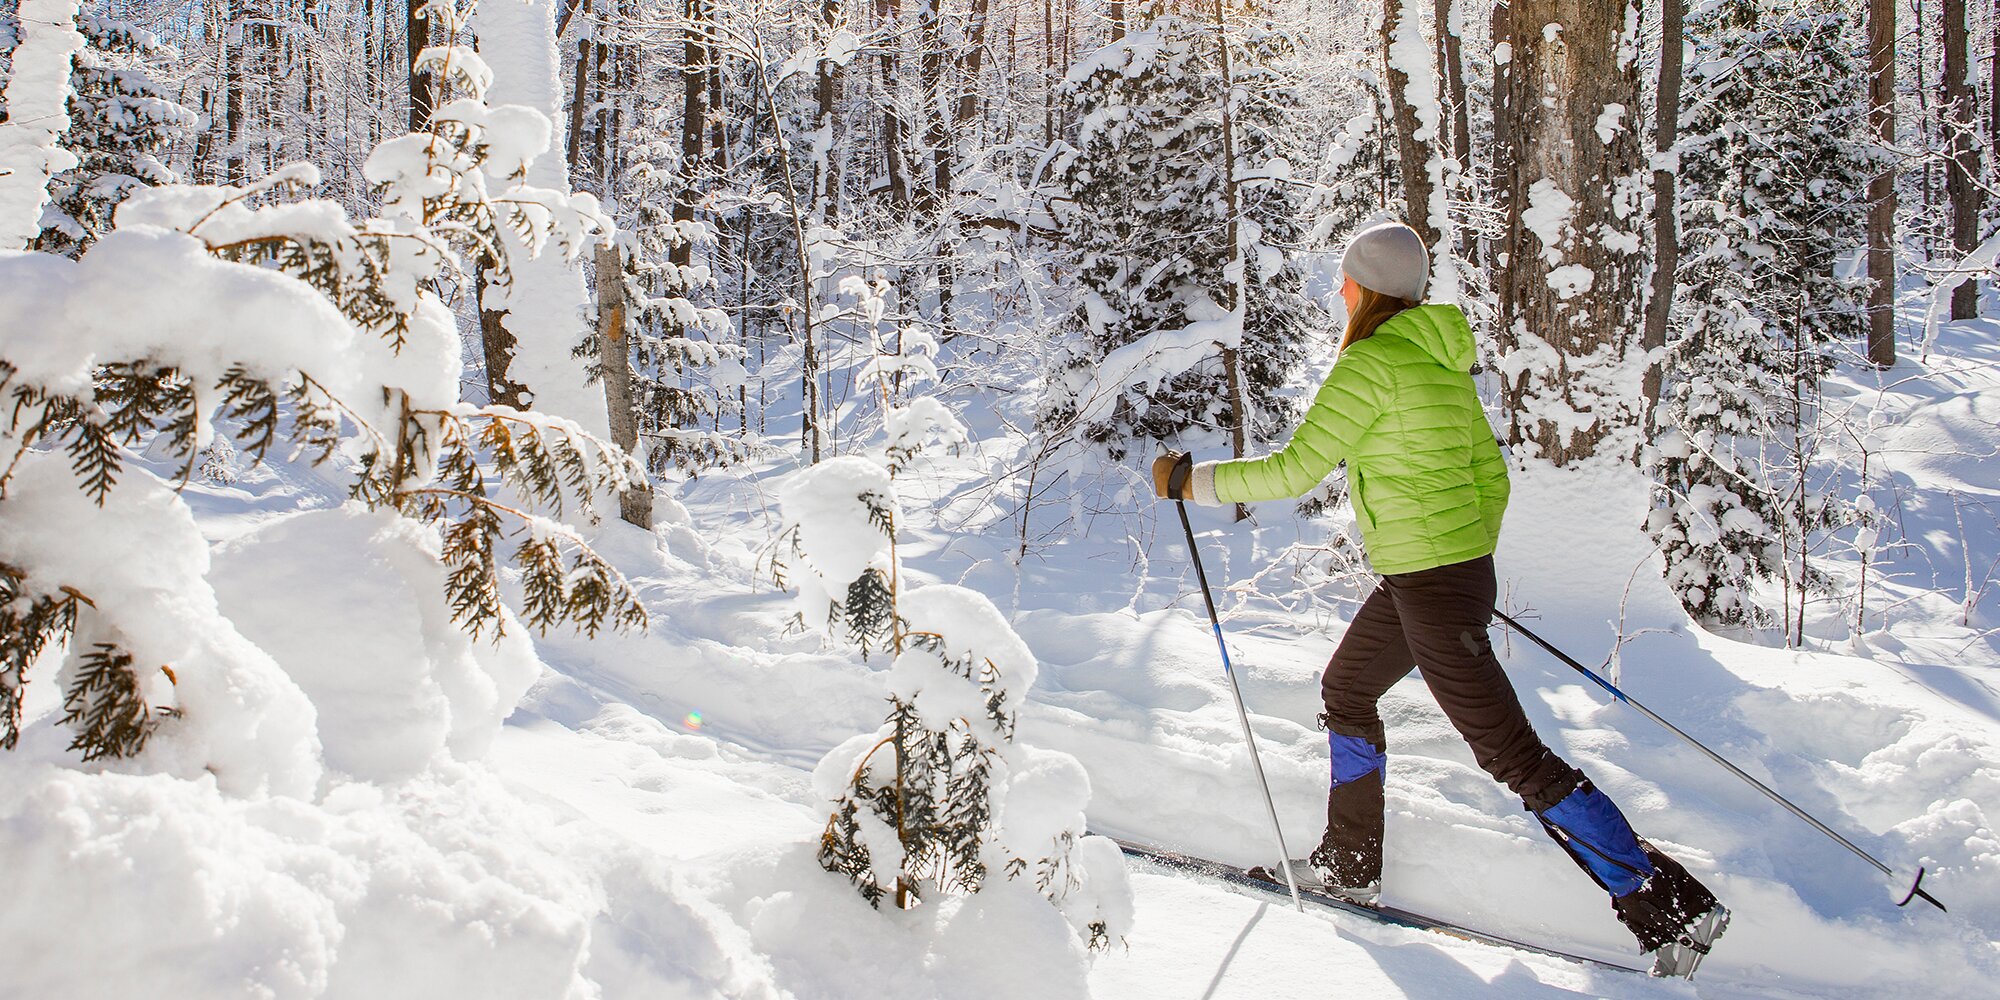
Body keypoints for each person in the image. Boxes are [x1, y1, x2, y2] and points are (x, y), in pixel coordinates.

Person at [1149, 221, 1728, 974]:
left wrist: (1188, 484)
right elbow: (1494, 479)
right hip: (1435, 577)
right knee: (1347, 689)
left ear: (1365, 289)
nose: (1340, 290)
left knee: (1512, 756)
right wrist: (1458, 558)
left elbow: (1295, 471)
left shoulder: (1372, 363)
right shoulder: (1440, 362)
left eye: (1347, 280)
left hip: (1430, 583)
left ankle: (1670, 906)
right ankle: (1350, 867)